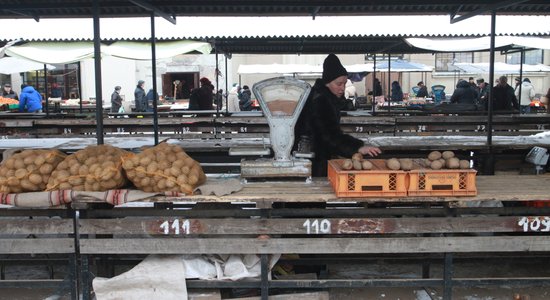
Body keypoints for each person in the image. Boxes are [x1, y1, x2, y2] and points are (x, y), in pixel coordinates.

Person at [295, 53, 381, 177]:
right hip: (312, 159)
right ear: (327, 83)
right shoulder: (320, 100)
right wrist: (357, 147)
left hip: (315, 155)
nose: (342, 88)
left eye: (344, 83)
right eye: (338, 84)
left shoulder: (323, 96)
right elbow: (330, 136)